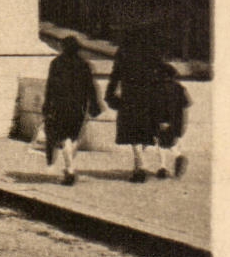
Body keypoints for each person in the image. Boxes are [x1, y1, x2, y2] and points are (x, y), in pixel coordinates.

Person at [41, 36, 102, 186]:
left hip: (60, 106)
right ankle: (69, 167)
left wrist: (47, 105)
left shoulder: (56, 64)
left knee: (64, 137)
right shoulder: (83, 64)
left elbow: (50, 87)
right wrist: (94, 105)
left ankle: (70, 170)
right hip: (78, 107)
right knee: (73, 137)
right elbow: (90, 87)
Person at [104, 38, 163, 183]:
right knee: (145, 133)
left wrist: (110, 94)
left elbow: (115, 76)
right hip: (149, 98)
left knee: (133, 134)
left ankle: (140, 167)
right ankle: (138, 166)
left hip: (130, 98)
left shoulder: (124, 52)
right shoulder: (153, 52)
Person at [153, 62, 190, 180]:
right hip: (176, 122)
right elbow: (186, 105)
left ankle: (164, 166)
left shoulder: (159, 89)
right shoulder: (180, 88)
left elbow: (160, 107)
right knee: (169, 143)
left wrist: (163, 121)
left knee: (161, 144)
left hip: (163, 121)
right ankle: (175, 160)